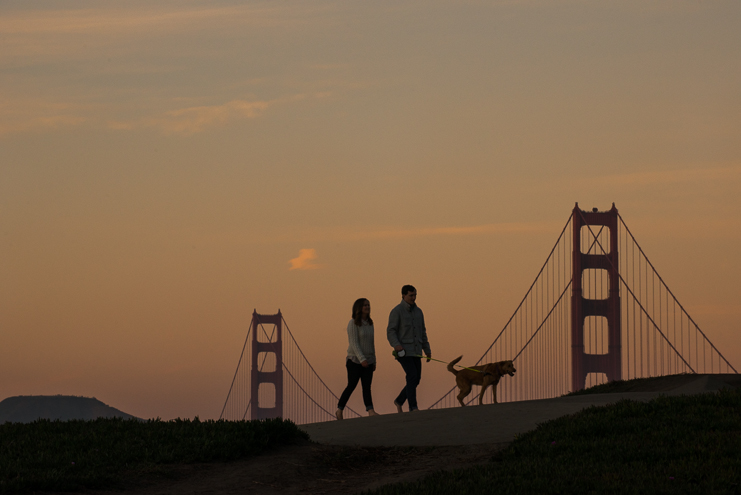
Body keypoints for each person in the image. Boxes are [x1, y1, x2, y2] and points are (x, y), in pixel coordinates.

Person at [387, 285, 431, 412]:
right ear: (403, 295)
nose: (414, 298)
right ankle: (413, 407)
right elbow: (391, 331)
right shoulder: (397, 311)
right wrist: (396, 345)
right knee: (412, 376)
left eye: (415, 295)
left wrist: (427, 350)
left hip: (416, 351)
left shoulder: (419, 312)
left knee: (416, 379)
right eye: (411, 295)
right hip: (403, 352)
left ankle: (399, 400)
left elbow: (423, 332)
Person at [336, 298, 379, 419]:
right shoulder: (353, 323)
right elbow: (354, 343)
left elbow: (371, 343)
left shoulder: (370, 324)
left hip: (368, 361)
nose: (367, 307)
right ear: (358, 308)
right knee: (351, 385)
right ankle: (339, 409)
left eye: (368, 305)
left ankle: (370, 410)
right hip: (354, 361)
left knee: (367, 387)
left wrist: (373, 360)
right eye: (365, 305)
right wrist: (362, 359)